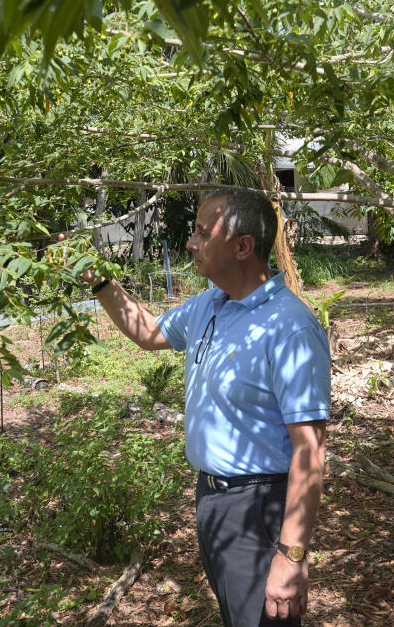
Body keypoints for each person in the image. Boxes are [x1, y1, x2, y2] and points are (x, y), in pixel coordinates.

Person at [83, 186, 330, 626]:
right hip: (212, 499)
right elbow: (148, 333)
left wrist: (291, 556)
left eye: (201, 232)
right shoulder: (210, 305)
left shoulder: (290, 327)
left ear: (242, 246)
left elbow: (310, 451)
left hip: (259, 506)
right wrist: (102, 281)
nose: (190, 243)